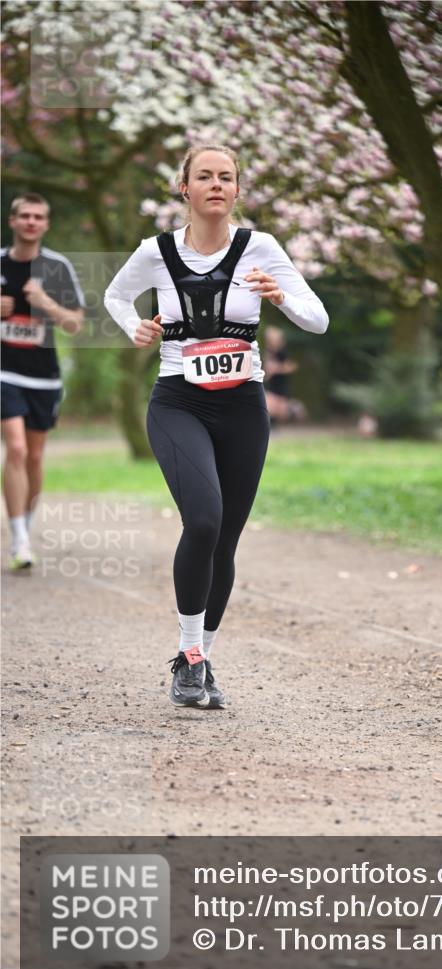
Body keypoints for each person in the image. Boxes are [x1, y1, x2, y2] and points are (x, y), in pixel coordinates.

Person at [104, 144, 328, 709]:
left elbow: (318, 319)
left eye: (225, 177)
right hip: (179, 401)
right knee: (202, 520)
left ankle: (198, 659)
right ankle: (189, 653)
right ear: (184, 188)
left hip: (242, 407)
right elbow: (115, 294)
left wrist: (281, 299)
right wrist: (135, 326)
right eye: (203, 176)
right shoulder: (155, 252)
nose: (215, 185)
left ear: (237, 190)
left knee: (225, 538)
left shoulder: (263, 248)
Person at [1, 193, 85, 570]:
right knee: (16, 449)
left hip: (44, 377)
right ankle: (19, 539)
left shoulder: (57, 267)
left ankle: (25, 527)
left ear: (45, 224)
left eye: (39, 216)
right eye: (25, 216)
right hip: (4, 373)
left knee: (34, 456)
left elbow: (75, 323)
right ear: (12, 221)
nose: (32, 222)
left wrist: (45, 302)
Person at [263, 324, 307, 425]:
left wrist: (277, 369)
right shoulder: (268, 352)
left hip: (281, 384)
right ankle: (273, 427)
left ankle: (294, 406)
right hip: (272, 385)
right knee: (269, 407)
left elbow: (291, 366)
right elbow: (267, 368)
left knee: (282, 412)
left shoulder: (282, 352)